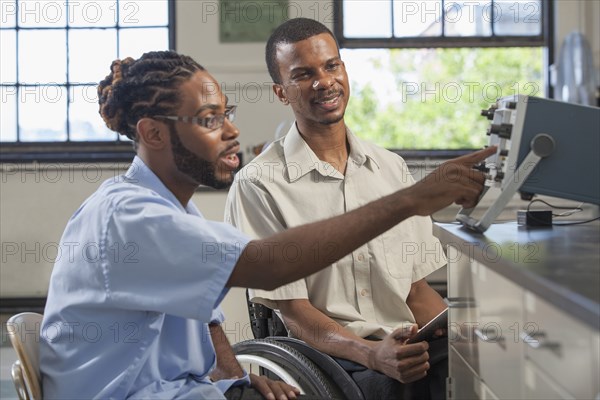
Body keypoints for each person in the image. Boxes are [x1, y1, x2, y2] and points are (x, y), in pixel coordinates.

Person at [39, 50, 493, 400]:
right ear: (154, 133)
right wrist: (410, 200)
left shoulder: (171, 209)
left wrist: (235, 381)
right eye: (209, 120)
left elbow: (209, 320)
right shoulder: (130, 216)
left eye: (226, 113)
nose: (231, 131)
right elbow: (269, 264)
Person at [225, 18, 456, 400]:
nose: (324, 81)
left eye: (331, 65)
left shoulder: (391, 168)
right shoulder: (259, 183)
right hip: (331, 359)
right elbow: (295, 314)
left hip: (404, 345)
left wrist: (460, 332)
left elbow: (416, 292)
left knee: (484, 365)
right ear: (281, 92)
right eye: (303, 74)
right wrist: (372, 354)